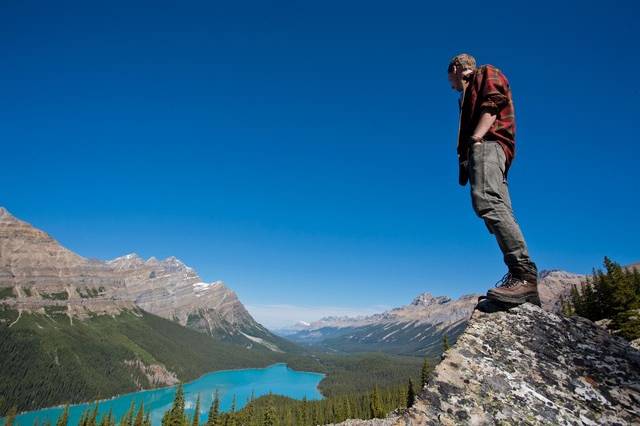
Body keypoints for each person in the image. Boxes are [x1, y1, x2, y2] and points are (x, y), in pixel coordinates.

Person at [447, 53, 540, 306]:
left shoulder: (486, 72)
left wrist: (476, 139)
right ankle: (522, 283)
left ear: (456, 68)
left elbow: (493, 102)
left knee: (487, 201)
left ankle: (523, 276)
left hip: (489, 145)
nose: (452, 86)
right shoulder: (467, 94)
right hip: (488, 148)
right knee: (497, 208)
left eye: (451, 80)